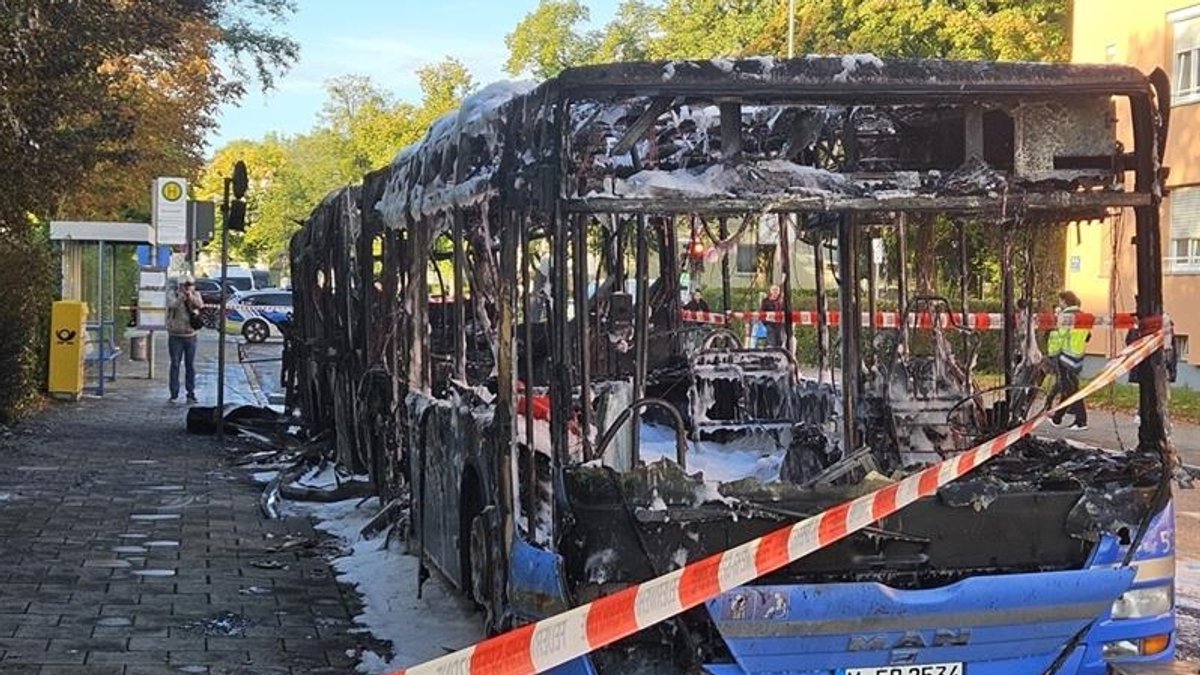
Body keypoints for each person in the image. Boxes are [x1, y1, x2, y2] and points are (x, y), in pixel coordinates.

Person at [1046, 290, 1090, 430]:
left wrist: (1052, 351)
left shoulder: (1065, 316)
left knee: (1070, 390)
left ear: (1064, 301)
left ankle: (1081, 421)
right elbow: (1088, 336)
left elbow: (1060, 336)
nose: (1059, 303)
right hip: (1077, 357)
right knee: (1069, 388)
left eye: (1060, 301)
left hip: (1064, 356)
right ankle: (1058, 418)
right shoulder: (1083, 316)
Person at [166, 275, 204, 404]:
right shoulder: (173, 294)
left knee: (190, 365)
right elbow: (172, 305)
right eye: (185, 285)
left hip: (190, 335)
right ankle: (174, 393)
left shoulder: (195, 294)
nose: (188, 287)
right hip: (175, 335)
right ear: (180, 285)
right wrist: (182, 297)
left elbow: (200, 305)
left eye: (190, 285)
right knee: (175, 364)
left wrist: (190, 296)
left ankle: (191, 393)